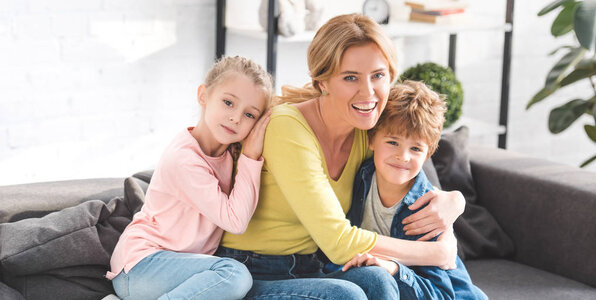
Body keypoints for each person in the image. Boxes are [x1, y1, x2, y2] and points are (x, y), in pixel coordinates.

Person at [216, 14, 466, 299]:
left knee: (379, 279)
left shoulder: (366, 129)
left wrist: (454, 201)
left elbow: (412, 178)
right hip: (250, 272)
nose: (368, 92)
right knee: (347, 296)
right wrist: (437, 253)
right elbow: (338, 242)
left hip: (312, 268)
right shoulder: (287, 128)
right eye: (350, 78)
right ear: (323, 82)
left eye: (378, 76)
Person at [106, 56, 273, 300]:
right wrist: (251, 155)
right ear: (203, 96)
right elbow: (235, 221)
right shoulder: (184, 159)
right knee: (235, 275)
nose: (236, 118)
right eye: (228, 102)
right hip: (140, 266)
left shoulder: (227, 154)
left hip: (180, 268)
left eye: (249, 115)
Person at [331, 81, 487, 299]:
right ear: (372, 139)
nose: (402, 156)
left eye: (415, 148)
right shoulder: (360, 176)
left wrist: (393, 269)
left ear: (428, 153)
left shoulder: (426, 212)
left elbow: (442, 294)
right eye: (393, 142)